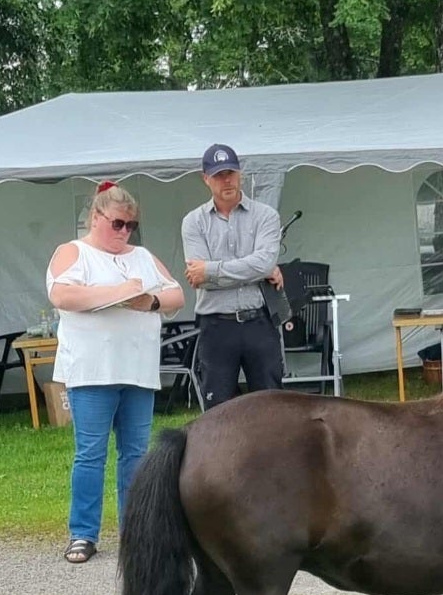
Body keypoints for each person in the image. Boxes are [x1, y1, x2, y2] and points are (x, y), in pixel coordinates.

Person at [47, 181, 185, 564]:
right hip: (92, 370)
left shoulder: (142, 256)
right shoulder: (73, 252)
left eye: (131, 225)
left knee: (136, 456)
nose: (124, 232)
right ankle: (83, 533)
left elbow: (176, 295)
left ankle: (135, 531)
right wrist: (117, 294)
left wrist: (148, 300)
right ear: (96, 216)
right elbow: (61, 295)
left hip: (137, 369)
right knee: (90, 453)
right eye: (118, 223)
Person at [181, 143, 287, 407]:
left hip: (259, 322)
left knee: (271, 407)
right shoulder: (193, 222)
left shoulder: (266, 216)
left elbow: (263, 264)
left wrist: (211, 270)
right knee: (217, 411)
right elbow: (199, 277)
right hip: (216, 325)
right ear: (205, 179)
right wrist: (255, 269)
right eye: (218, 175)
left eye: (230, 172)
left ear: (240, 173)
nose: (226, 180)